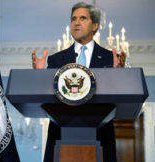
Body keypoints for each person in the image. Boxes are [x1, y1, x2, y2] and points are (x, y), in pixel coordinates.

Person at [32, 2, 126, 162]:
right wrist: (39, 76)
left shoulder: (110, 57)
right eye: (73, 19)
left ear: (95, 25)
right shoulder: (56, 59)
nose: (76, 22)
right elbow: (45, 98)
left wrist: (119, 74)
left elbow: (119, 97)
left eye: (83, 18)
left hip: (100, 135)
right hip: (60, 134)